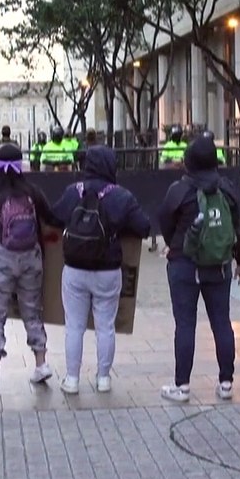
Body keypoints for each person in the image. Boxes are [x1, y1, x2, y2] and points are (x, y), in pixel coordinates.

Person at [51, 145, 150, 394]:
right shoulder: (121, 196)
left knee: (74, 326)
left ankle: (72, 380)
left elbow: (54, 217)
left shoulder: (73, 191)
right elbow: (144, 227)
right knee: (105, 326)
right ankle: (103, 378)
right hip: (108, 271)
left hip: (74, 269)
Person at [157, 135, 240, 403]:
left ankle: (182, 386)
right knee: (222, 322)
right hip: (219, 267)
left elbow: (164, 220)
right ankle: (226, 382)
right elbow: (236, 228)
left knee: (185, 324)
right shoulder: (228, 189)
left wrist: (174, 245)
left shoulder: (179, 190)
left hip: (184, 265)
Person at [0, 143, 60, 388]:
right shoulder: (33, 191)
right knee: (32, 309)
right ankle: (41, 363)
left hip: (2, 258)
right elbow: (52, 217)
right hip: (32, 257)